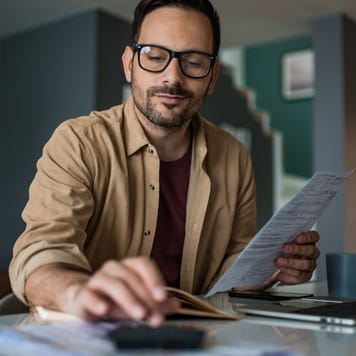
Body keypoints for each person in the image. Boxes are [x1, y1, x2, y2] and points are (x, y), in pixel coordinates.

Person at [9, 0, 320, 326]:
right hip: (92, 336)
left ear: (212, 77)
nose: (173, 77)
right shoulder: (78, 142)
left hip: (197, 336)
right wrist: (79, 292)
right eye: (155, 57)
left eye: (194, 62)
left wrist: (273, 265)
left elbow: (231, 271)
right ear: (129, 63)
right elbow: (40, 254)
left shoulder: (234, 156)